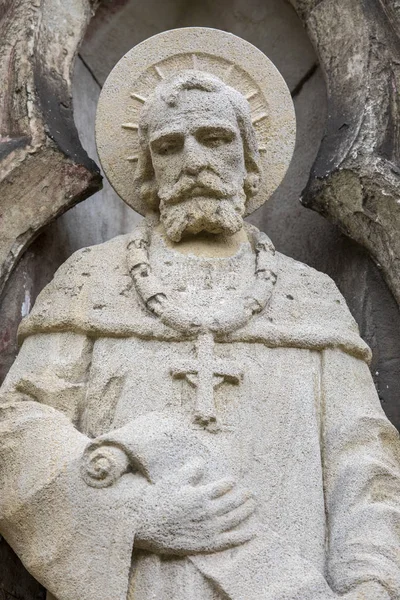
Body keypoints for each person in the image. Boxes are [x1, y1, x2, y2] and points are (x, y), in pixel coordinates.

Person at [1, 67, 400, 600]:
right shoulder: (90, 279)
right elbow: (15, 430)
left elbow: (363, 461)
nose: (192, 161)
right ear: (147, 170)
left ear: (250, 157)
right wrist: (131, 515)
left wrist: (371, 581)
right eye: (168, 147)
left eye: (215, 139)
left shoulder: (312, 296)